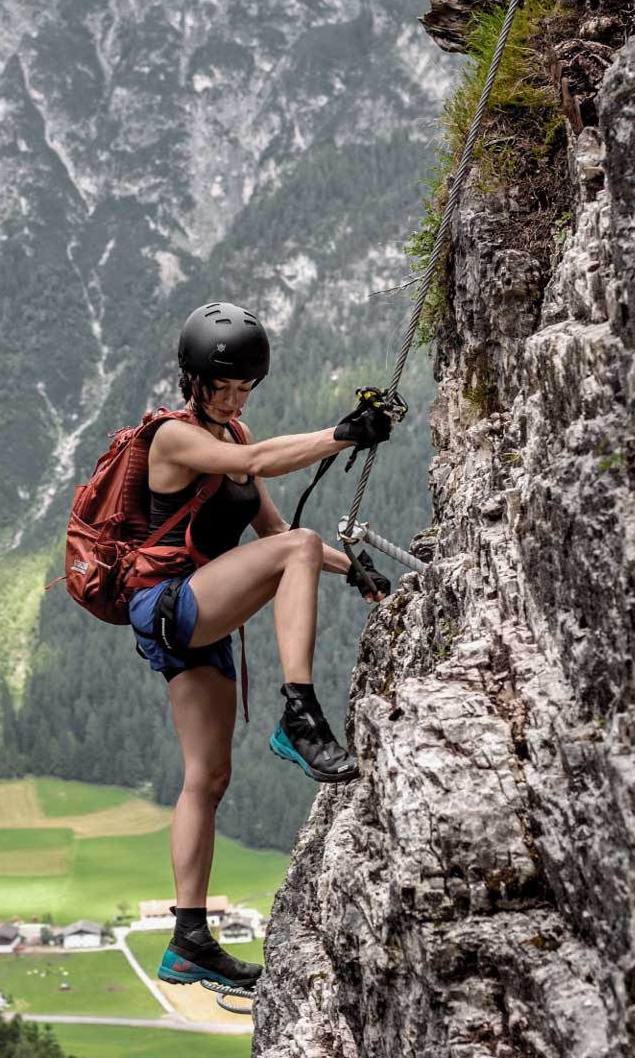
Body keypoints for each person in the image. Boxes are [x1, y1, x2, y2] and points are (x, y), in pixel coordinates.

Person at [132, 300, 393, 994]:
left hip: (199, 613)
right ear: (194, 381)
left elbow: (273, 532)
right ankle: (298, 713)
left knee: (207, 779)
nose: (236, 396)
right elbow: (253, 466)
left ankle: (188, 939)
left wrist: (354, 569)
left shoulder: (235, 429)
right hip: (175, 606)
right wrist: (341, 435)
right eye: (224, 385)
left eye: (246, 386)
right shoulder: (174, 439)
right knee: (300, 548)